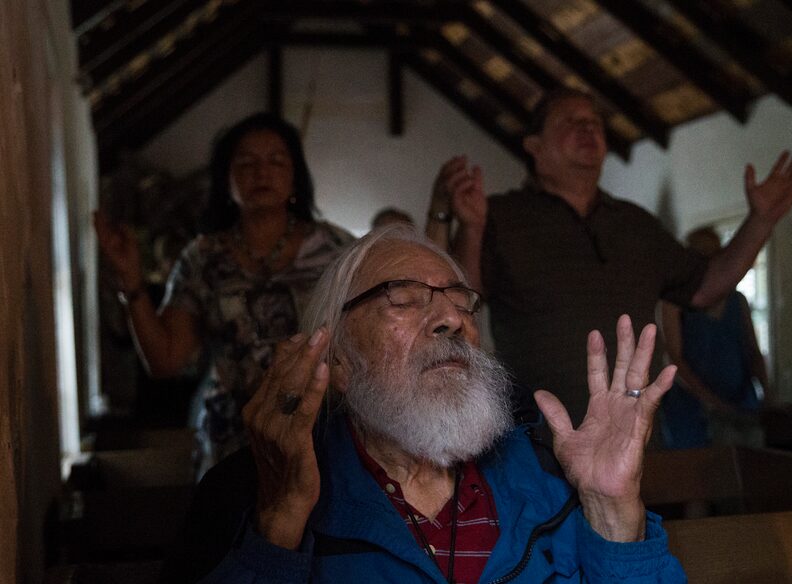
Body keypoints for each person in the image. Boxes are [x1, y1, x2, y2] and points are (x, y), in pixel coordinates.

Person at [162, 225, 686, 583]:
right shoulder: (256, 497)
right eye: (405, 298)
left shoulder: (551, 479)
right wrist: (279, 522)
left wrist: (613, 509)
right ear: (337, 360)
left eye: (461, 301)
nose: (450, 318)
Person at [429, 87, 792, 427]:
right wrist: (473, 227)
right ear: (534, 146)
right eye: (571, 121)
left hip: (638, 444)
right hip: (539, 448)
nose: (588, 128)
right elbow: (463, 301)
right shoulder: (499, 216)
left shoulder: (635, 224)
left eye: (595, 122)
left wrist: (761, 221)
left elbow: (705, 289)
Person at [94, 113, 353, 477]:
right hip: (230, 440)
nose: (261, 173)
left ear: (296, 176)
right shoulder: (203, 257)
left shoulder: (336, 249)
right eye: (246, 163)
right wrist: (131, 281)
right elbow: (165, 359)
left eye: (276, 161)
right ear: (226, 181)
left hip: (322, 434)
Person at [659, 226, 772, 449]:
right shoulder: (673, 303)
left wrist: (768, 396)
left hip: (739, 405)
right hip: (691, 414)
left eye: (712, 253)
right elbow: (674, 359)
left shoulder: (737, 301)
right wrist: (711, 402)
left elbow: (752, 351)